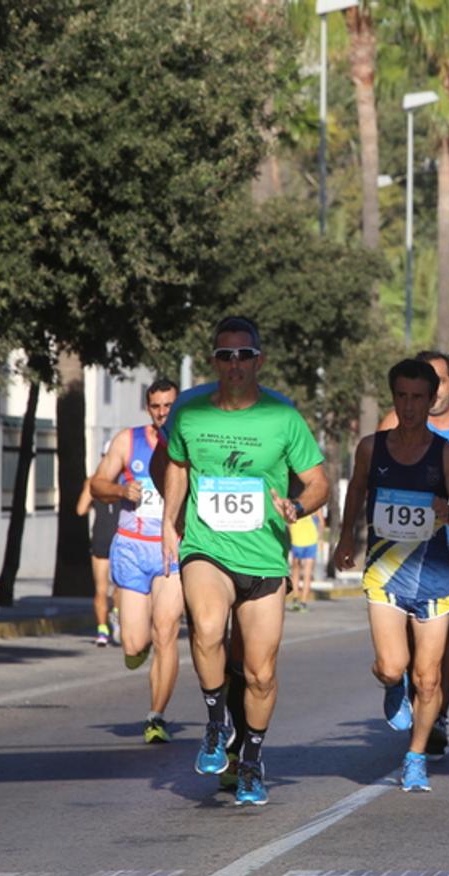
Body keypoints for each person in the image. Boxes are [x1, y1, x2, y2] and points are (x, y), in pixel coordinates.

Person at [161, 316, 329, 807]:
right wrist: (170, 524)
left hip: (264, 556)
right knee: (208, 629)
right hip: (206, 547)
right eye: (224, 355)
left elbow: (317, 480)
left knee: (260, 673)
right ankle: (217, 722)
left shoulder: (284, 417)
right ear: (214, 360)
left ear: (259, 360)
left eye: (243, 355)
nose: (234, 364)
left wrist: (298, 507)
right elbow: (176, 464)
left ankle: (251, 757)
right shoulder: (190, 413)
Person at [336, 359, 449, 793]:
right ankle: (392, 686)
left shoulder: (445, 454)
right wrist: (345, 541)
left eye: (419, 398)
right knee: (393, 666)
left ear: (432, 400)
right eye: (402, 397)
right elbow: (357, 490)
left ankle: (415, 758)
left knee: (428, 678)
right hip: (385, 572)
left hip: (433, 575)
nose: (410, 406)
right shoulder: (370, 448)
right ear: (393, 397)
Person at [377, 350, 449, 757]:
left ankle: (437, 712)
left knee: (444, 631)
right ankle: (408, 688)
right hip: (401, 543)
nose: (432, 393)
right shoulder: (392, 422)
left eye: (439, 383)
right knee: (405, 634)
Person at [89, 380, 183, 743]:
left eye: (169, 405)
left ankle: (156, 716)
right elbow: (97, 483)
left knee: (167, 630)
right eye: (156, 406)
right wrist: (119, 490)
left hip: (170, 551)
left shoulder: (188, 441)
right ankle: (132, 642)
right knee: (133, 644)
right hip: (130, 548)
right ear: (148, 408)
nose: (162, 413)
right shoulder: (129, 441)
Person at [77, 477, 119, 647]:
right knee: (122, 586)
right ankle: (116, 614)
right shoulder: (127, 479)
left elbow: (81, 509)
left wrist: (92, 497)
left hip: (101, 536)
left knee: (101, 589)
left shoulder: (93, 482)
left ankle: (102, 631)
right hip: (120, 538)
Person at [288, 507, 325, 612]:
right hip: (307, 541)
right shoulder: (315, 504)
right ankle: (302, 602)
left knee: (297, 571)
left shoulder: (295, 503)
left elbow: (289, 522)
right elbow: (321, 523)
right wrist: (320, 539)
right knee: (305, 573)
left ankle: (297, 599)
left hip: (299, 540)